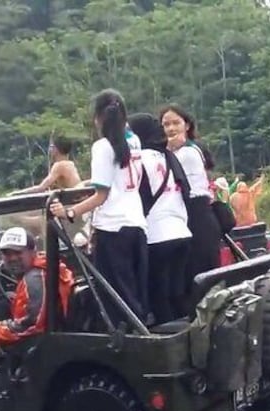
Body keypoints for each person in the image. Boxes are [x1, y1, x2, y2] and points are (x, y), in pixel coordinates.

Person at [51, 89, 150, 324]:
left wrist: (70, 212)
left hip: (112, 228)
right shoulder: (133, 141)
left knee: (115, 297)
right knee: (134, 291)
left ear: (98, 118)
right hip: (136, 223)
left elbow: (101, 196)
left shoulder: (103, 148)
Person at [0, 227, 74, 373]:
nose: (12, 258)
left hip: (36, 339)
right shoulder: (46, 265)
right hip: (52, 329)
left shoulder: (33, 279)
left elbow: (33, 324)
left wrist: (5, 328)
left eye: (18, 252)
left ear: (32, 251)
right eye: (6, 253)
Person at [128, 112, 192, 325]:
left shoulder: (139, 159)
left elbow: (135, 195)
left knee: (159, 298)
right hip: (182, 232)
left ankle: (171, 350)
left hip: (157, 236)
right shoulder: (169, 156)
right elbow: (186, 190)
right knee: (177, 295)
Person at [159, 105, 221, 293]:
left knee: (201, 274)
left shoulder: (187, 152)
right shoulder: (176, 151)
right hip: (187, 216)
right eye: (166, 124)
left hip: (197, 216)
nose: (171, 128)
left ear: (186, 125)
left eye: (176, 123)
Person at [11, 137, 82, 195]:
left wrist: (17, 193)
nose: (50, 149)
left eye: (52, 147)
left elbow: (41, 188)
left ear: (56, 149)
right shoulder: (70, 164)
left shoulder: (59, 166)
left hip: (75, 198)